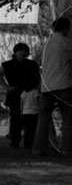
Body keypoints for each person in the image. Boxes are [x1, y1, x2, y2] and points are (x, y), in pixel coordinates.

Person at [34, 17, 72, 159]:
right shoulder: (66, 43)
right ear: (66, 28)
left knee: (43, 120)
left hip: (46, 87)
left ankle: (37, 150)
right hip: (64, 85)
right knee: (68, 120)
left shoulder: (47, 44)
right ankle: (67, 150)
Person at [0, 42, 40, 150]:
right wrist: (6, 87)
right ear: (15, 52)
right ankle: (15, 140)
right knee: (15, 118)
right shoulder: (8, 64)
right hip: (15, 93)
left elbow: (38, 78)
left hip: (29, 93)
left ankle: (28, 141)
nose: (23, 53)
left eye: (25, 51)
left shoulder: (32, 64)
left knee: (30, 118)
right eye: (20, 51)